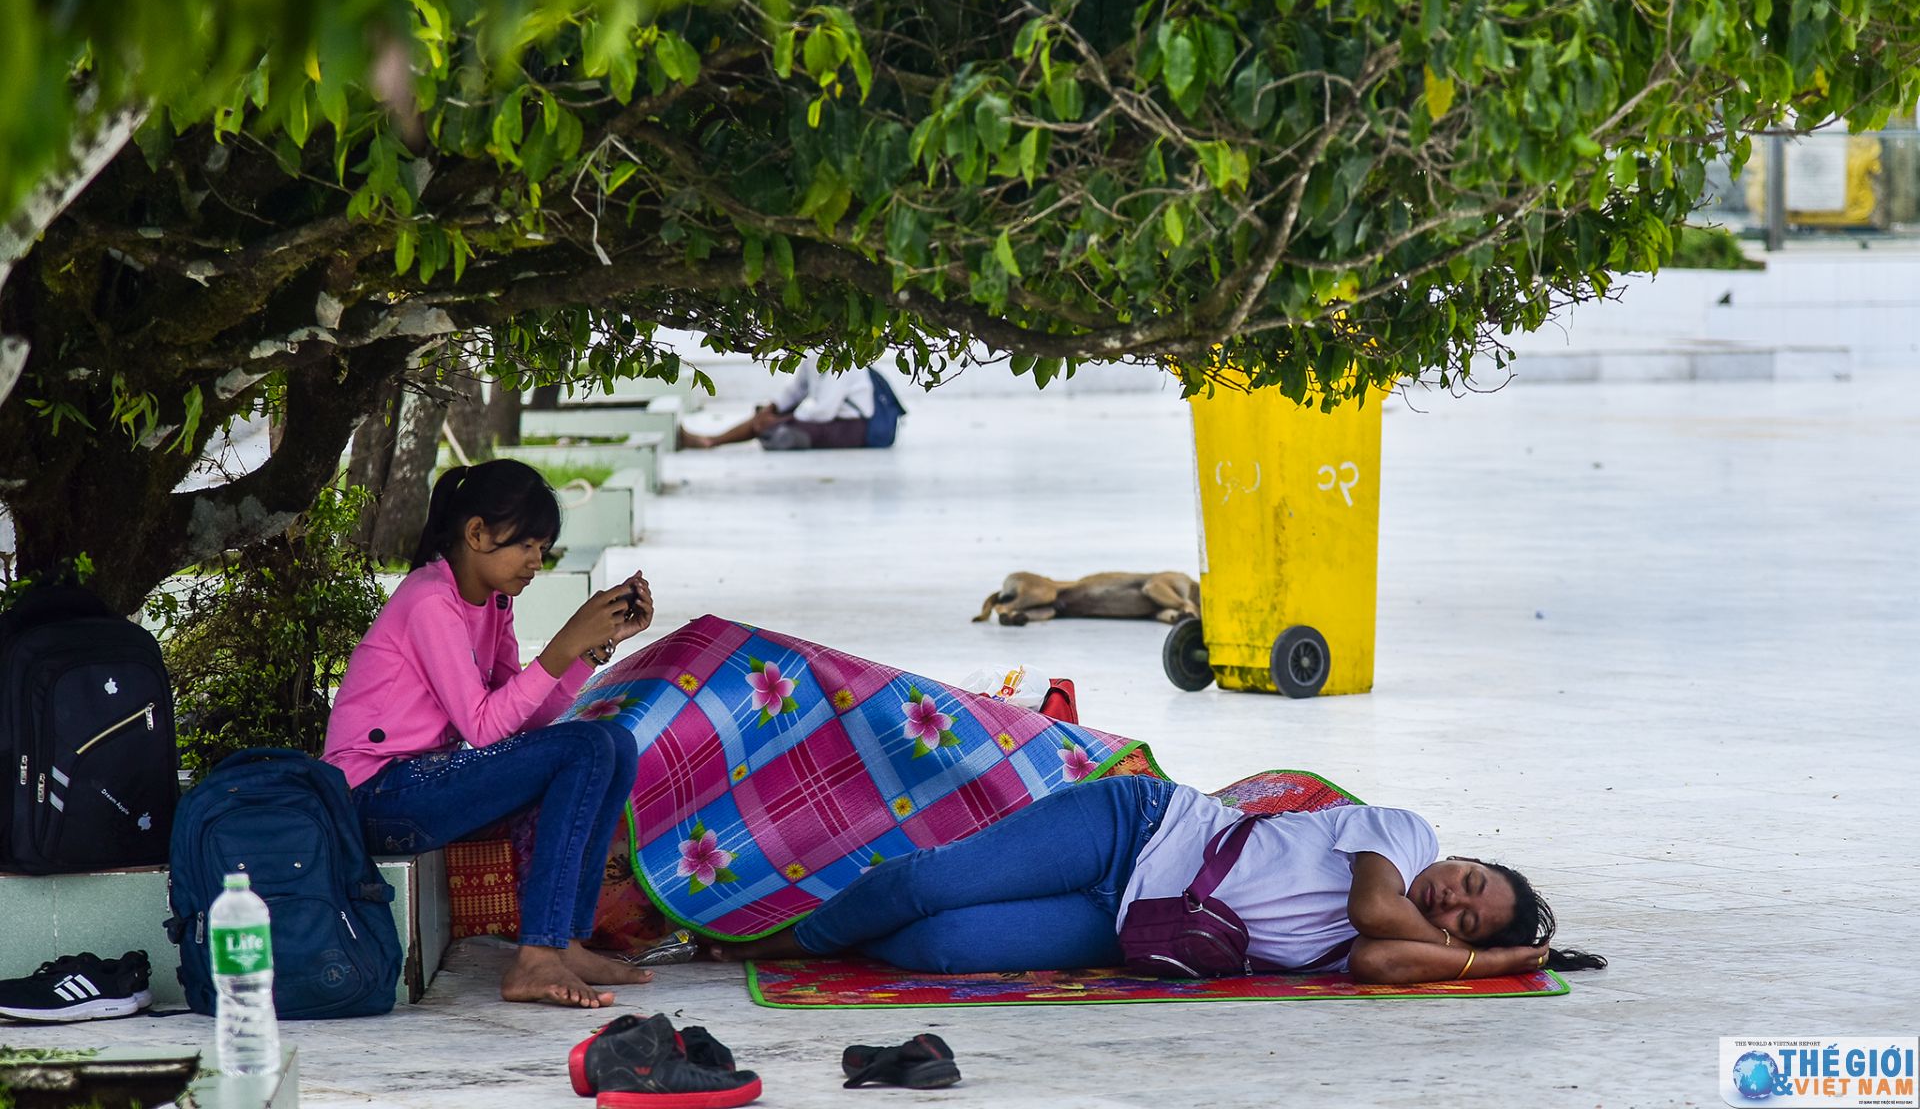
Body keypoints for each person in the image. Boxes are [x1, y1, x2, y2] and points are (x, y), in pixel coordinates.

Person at [709, 775, 1606, 982]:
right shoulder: (1404, 836)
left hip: (1128, 930)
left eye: (1468, 917)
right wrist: (1462, 942)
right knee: (926, 886)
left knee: (937, 947)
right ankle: (770, 937)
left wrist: (1508, 964)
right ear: (1460, 856)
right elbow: (1376, 906)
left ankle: (828, 931)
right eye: (1470, 879)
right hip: (1132, 830)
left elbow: (1376, 962)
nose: (1452, 895)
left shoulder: (1383, 951)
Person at [321, 459, 658, 1008]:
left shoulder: (493, 602)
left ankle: (564, 941)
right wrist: (563, 644)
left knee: (611, 741)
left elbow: (521, 719)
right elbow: (482, 728)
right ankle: (535, 955)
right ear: (476, 533)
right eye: (525, 545)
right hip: (374, 794)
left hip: (427, 782)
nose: (535, 562)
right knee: (590, 745)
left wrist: (591, 650)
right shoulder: (431, 600)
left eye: (542, 548)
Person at [678, 363, 877, 451]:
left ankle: (712, 441)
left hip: (849, 426)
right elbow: (796, 391)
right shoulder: (813, 353)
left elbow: (824, 411)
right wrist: (772, 408)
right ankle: (711, 440)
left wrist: (780, 420)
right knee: (765, 420)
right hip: (826, 419)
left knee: (776, 428)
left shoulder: (840, 357)